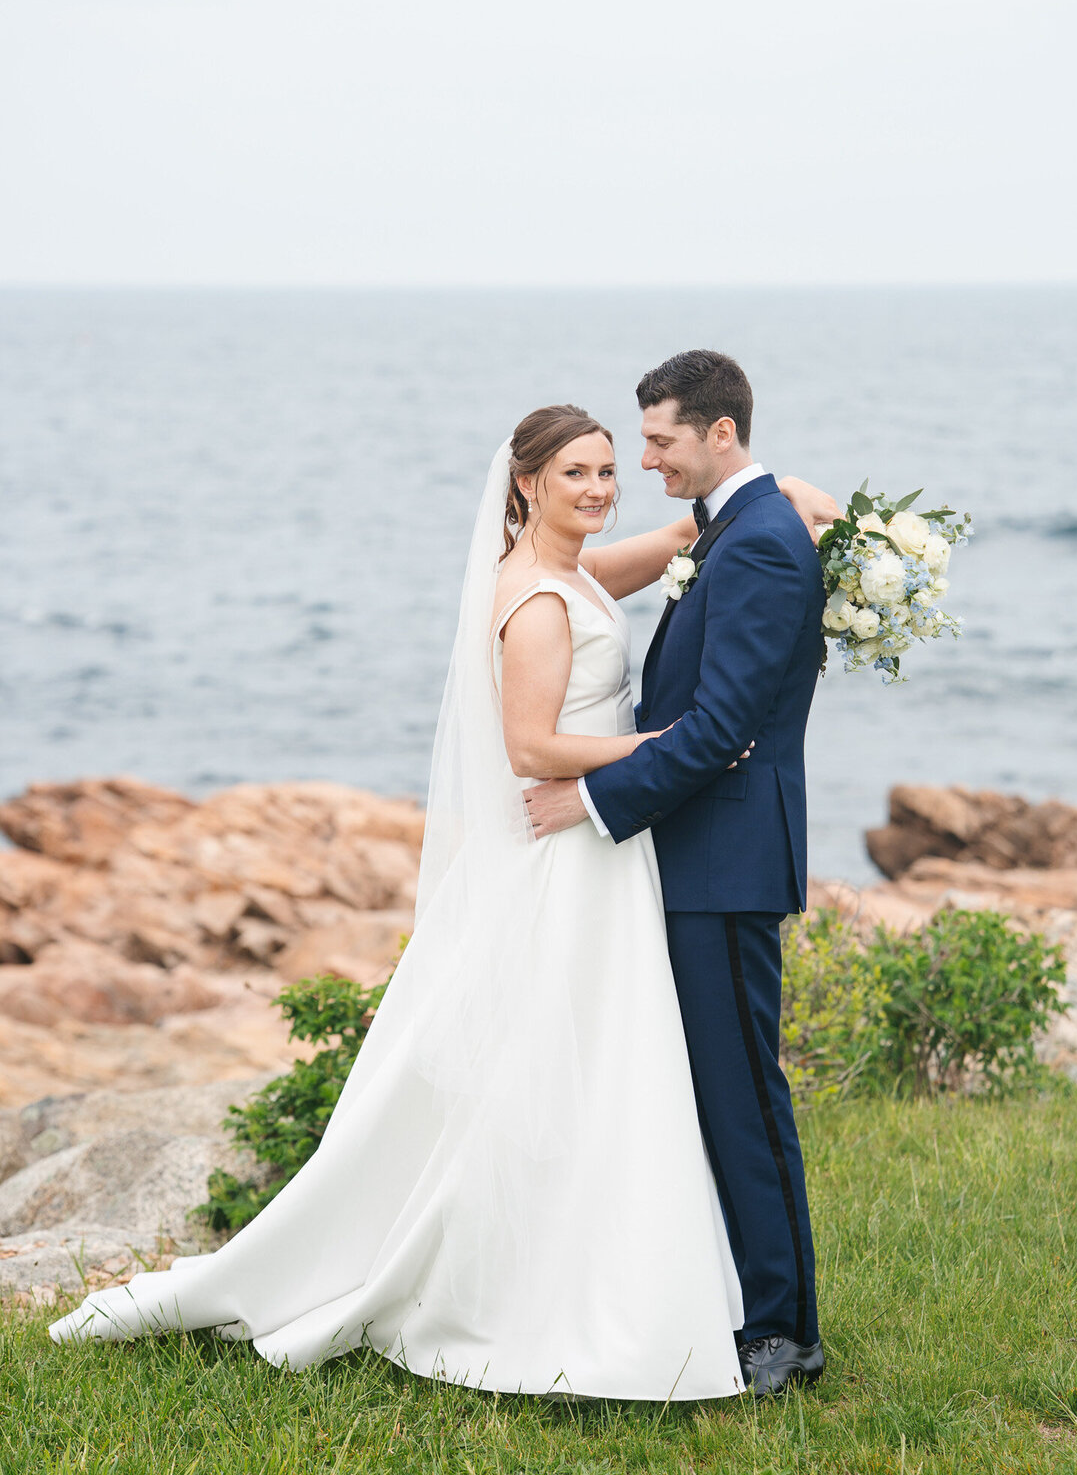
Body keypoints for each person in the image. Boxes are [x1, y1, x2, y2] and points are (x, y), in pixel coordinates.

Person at [50, 398, 837, 1401]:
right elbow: (530, 747)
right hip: (570, 846)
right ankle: (539, 1281)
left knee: (604, 1067)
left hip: (607, 857)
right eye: (579, 473)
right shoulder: (537, 598)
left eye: (612, 467)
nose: (605, 485)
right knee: (561, 1065)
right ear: (525, 484)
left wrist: (772, 498)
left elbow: (667, 547)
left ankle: (629, 1270)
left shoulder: (573, 573)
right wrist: (652, 747)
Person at [525, 352, 829, 1397]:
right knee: (712, 1091)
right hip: (698, 852)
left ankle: (785, 1331)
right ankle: (740, 1298)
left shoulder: (763, 545)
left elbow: (721, 729)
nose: (644, 460)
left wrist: (593, 799)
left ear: (720, 433)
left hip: (725, 861)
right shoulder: (735, 526)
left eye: (659, 441)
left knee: (743, 1099)